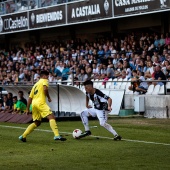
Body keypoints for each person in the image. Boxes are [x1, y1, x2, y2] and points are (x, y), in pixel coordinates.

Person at [19, 70, 66, 142]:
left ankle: (23, 136)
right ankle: (56, 135)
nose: (47, 78)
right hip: (40, 103)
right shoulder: (44, 80)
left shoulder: (35, 85)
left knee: (37, 122)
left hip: (34, 104)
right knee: (51, 117)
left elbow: (30, 98)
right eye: (47, 76)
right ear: (44, 76)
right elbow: (45, 88)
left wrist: (27, 108)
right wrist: (49, 97)